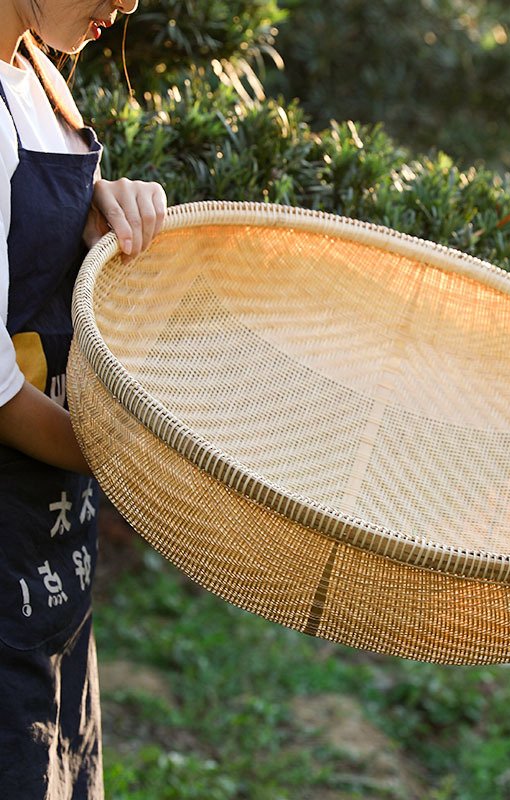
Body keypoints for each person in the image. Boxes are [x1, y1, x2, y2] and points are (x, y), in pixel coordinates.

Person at [0, 0, 167, 795]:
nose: (128, 3)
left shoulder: (33, 71)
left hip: (51, 551)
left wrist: (106, 205)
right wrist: (137, 455)